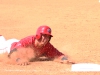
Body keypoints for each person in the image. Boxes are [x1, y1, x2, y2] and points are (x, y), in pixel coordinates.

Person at [8, 25, 75, 66]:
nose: (46, 38)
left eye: (48, 37)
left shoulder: (47, 46)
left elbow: (59, 55)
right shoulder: (28, 41)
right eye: (44, 35)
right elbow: (13, 52)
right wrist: (18, 60)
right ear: (38, 35)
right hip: (8, 46)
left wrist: (65, 59)